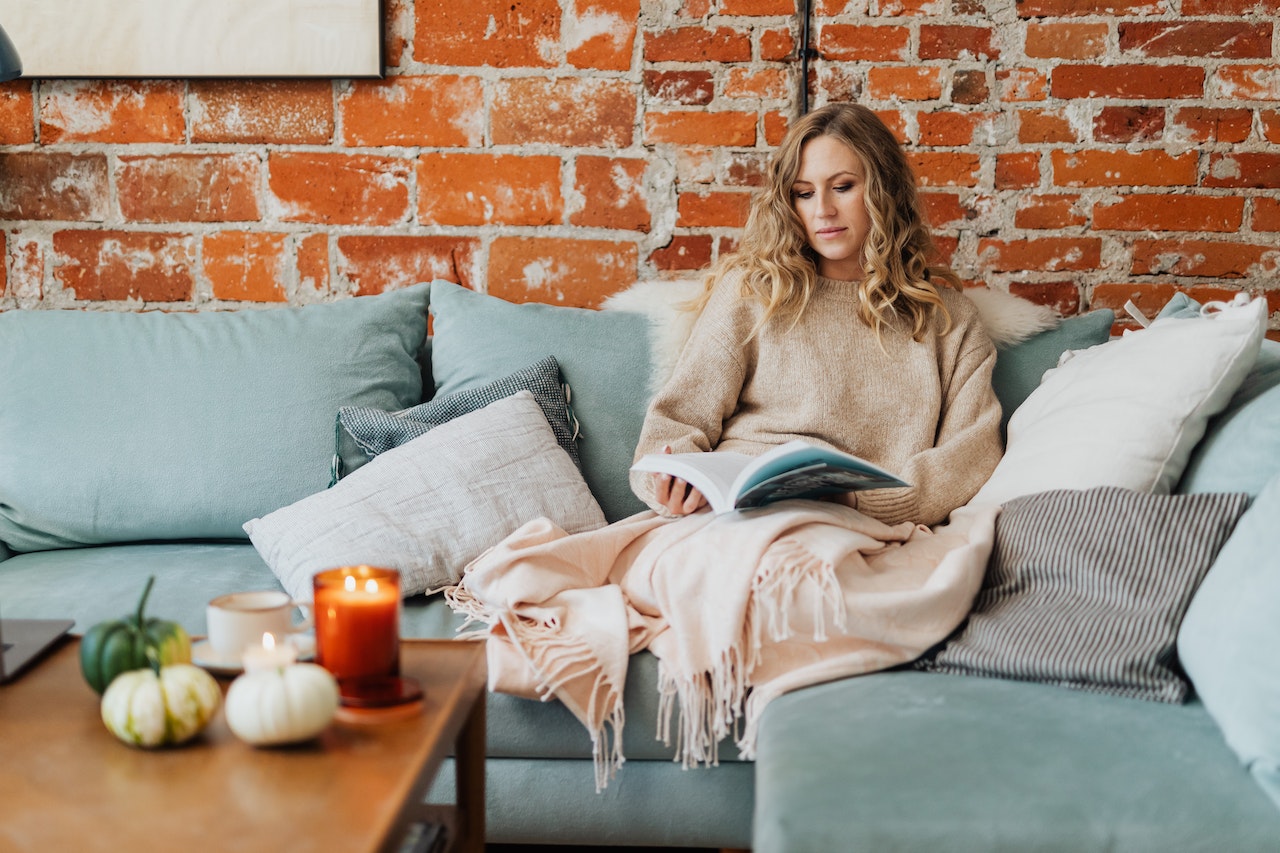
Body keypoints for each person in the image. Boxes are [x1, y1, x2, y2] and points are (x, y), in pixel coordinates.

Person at [631, 102, 1003, 527]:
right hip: (729, 514)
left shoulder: (948, 320)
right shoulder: (752, 293)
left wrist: (862, 502)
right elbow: (675, 422)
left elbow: (971, 456)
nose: (822, 209)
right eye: (804, 193)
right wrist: (672, 484)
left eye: (842, 187)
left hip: (854, 523)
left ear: (884, 191)